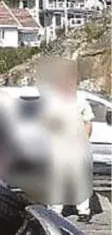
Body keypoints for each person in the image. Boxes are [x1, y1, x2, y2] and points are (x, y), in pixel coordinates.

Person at [38, 59, 94, 222]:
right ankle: (55, 211)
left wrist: (84, 140)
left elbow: (88, 122)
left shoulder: (81, 100)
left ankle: (83, 211)